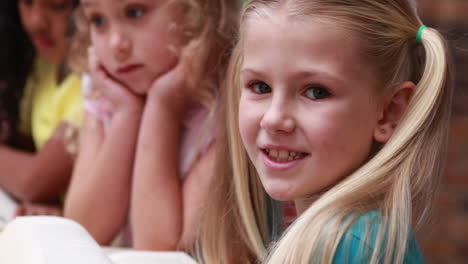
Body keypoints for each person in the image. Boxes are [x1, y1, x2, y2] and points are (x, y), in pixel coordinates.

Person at [198, 0, 452, 263]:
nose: (273, 119)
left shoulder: (351, 244)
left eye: (316, 92)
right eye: (260, 86)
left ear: (389, 112)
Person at [64, 0, 241, 250]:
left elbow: (159, 250)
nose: (117, 44)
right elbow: (82, 230)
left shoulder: (229, 112)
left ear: (200, 13)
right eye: (98, 20)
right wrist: (127, 113)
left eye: (135, 13)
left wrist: (163, 106)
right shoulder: (106, 94)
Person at [0, 0, 82, 216]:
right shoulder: (45, 63)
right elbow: (24, 145)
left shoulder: (98, 81)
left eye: (58, 5)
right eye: (26, 2)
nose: (36, 22)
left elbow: (35, 181)